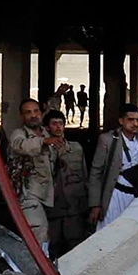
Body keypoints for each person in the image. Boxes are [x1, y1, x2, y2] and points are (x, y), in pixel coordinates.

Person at [90, 107, 138, 227]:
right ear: (121, 121)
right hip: (115, 195)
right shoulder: (107, 140)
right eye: (131, 120)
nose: (135, 124)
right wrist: (95, 204)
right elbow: (96, 172)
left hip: (137, 196)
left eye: (137, 120)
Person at [39, 109, 91, 254]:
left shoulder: (76, 148)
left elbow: (84, 176)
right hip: (52, 207)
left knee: (76, 246)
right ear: (47, 127)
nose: (58, 127)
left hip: (74, 207)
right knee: (54, 246)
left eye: (61, 123)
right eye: (54, 124)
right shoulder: (42, 152)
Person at [2, 97, 55, 223]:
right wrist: (43, 142)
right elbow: (20, 145)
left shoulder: (46, 133)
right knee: (38, 232)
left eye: (36, 111)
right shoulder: (19, 134)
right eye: (28, 112)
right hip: (28, 194)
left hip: (47, 193)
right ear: (22, 116)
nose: (33, 115)